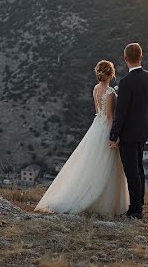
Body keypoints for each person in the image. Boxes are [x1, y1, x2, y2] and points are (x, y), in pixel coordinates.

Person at [34, 60, 129, 217]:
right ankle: (103, 201)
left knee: (90, 162)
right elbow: (111, 117)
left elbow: (98, 111)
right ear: (111, 73)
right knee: (106, 163)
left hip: (96, 126)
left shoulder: (96, 88)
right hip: (105, 128)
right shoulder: (111, 91)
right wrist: (114, 136)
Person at [108, 42, 148, 219]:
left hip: (128, 134)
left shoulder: (126, 82)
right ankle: (139, 203)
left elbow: (121, 113)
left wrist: (113, 135)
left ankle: (136, 210)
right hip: (143, 131)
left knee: (131, 171)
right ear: (141, 57)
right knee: (139, 169)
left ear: (125, 58)